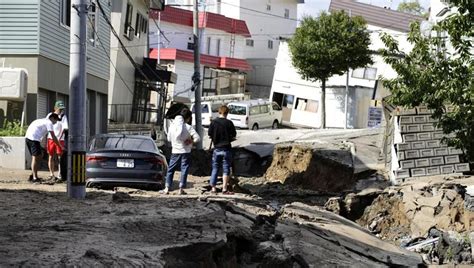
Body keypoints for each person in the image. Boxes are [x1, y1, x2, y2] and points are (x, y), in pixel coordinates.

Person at [161, 108, 200, 195]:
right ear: (188, 118)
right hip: (186, 151)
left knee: (171, 169)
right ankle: (181, 188)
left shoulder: (172, 126)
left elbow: (169, 139)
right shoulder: (188, 127)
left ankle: (167, 188)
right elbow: (198, 138)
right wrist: (191, 141)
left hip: (175, 151)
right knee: (184, 169)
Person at [25, 113, 62, 183]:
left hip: (28, 138)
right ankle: (34, 178)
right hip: (33, 139)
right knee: (36, 157)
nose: (56, 122)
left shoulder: (40, 121)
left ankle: (33, 174)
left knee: (39, 156)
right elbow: (53, 137)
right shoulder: (49, 122)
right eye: (56, 120)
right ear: (52, 118)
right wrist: (60, 146)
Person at [208, 105, 237, 194]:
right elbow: (234, 135)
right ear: (227, 113)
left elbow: (209, 134)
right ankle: (224, 188)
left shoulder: (213, 123)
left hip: (217, 149)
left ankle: (213, 188)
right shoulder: (229, 123)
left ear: (219, 112)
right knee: (226, 169)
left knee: (215, 168)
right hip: (226, 149)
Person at [46, 101, 68, 181]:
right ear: (55, 108)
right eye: (59, 109)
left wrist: (61, 136)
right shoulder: (50, 115)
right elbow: (47, 125)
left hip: (60, 139)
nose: (61, 110)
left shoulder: (63, 117)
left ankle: (59, 174)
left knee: (60, 157)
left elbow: (65, 128)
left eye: (62, 109)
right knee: (51, 156)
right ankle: (51, 174)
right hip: (51, 139)